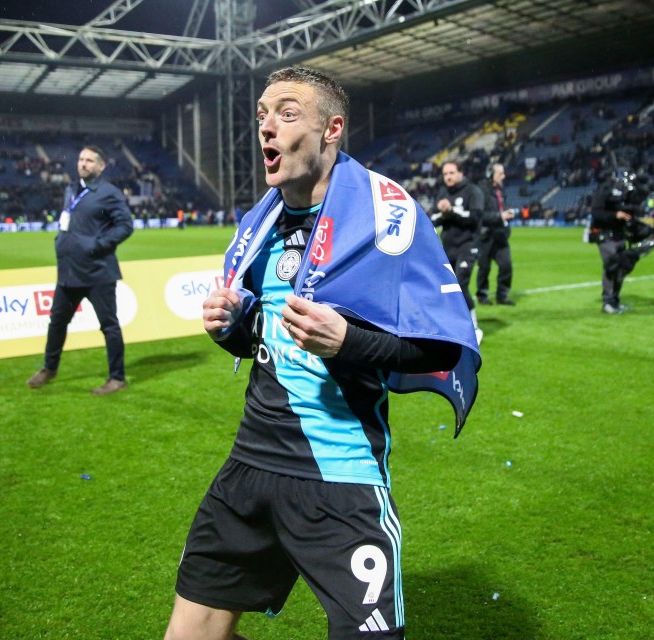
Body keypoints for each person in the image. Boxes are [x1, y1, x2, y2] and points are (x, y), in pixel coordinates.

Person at [165, 67, 479, 640]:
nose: (266, 127)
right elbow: (260, 338)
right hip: (250, 464)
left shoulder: (386, 217)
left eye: (286, 113)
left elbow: (439, 345)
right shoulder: (260, 224)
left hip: (340, 474)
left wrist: (349, 341)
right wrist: (230, 328)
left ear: (332, 128)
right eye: (261, 114)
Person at [26, 144, 134, 394]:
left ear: (101, 165)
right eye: (81, 159)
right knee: (57, 322)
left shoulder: (109, 193)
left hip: (98, 272)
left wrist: (97, 245)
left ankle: (117, 378)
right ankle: (49, 368)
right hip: (69, 271)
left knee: (109, 326)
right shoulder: (72, 189)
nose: (83, 164)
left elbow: (125, 225)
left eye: (89, 160)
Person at [588, 170, 654, 314]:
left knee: (621, 267)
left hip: (620, 235)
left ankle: (615, 301)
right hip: (605, 235)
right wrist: (616, 215)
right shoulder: (604, 191)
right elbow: (596, 213)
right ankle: (607, 302)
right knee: (612, 266)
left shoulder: (624, 197)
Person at [432, 160, 484, 342]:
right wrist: (442, 212)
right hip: (447, 248)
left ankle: (474, 328)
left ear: (461, 173)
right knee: (447, 288)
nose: (448, 177)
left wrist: (451, 211)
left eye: (452, 173)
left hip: (468, 245)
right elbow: (432, 218)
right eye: (445, 174)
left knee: (460, 285)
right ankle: (453, 325)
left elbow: (476, 217)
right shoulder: (442, 193)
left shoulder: (472, 191)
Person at [476, 163, 517, 306]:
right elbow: (480, 215)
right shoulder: (480, 191)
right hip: (486, 235)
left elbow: (501, 208)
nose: (503, 176)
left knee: (506, 265)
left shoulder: (501, 190)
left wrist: (507, 213)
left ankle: (502, 296)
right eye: (500, 174)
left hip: (500, 234)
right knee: (484, 267)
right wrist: (500, 216)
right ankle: (482, 295)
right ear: (490, 175)